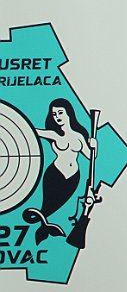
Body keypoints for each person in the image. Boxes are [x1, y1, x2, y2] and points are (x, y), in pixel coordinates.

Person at [23, 99, 95, 244]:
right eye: (54, 114)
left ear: (69, 113)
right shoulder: (54, 134)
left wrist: (94, 146)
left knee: (58, 206)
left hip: (73, 177)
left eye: (60, 113)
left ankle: (47, 226)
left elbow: (91, 157)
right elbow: (33, 131)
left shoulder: (79, 136)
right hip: (55, 174)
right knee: (47, 205)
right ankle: (43, 225)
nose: (57, 117)